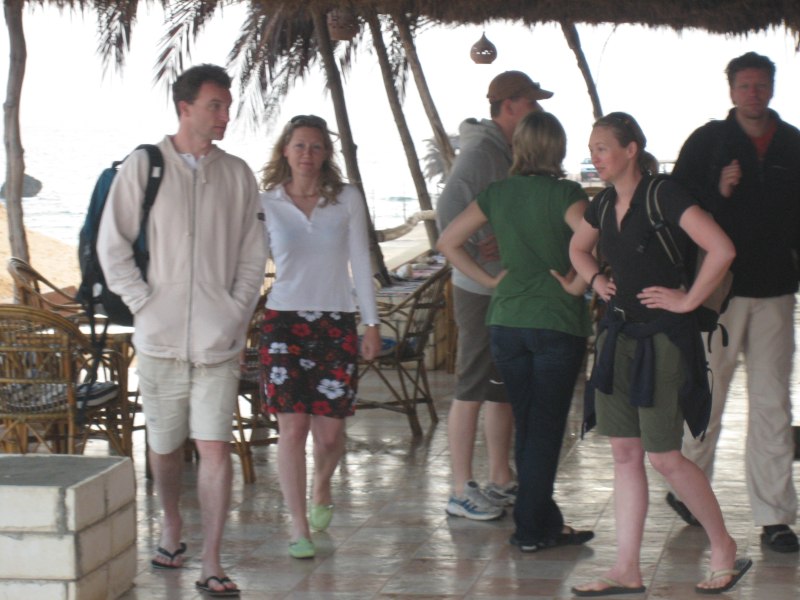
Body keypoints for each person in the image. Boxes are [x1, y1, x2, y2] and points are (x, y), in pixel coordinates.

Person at [97, 64, 266, 596]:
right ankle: (171, 524)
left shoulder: (237, 174)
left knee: (215, 447)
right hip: (159, 339)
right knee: (166, 447)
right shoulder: (144, 166)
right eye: (215, 105)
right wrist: (144, 304)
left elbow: (253, 254)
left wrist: (235, 312)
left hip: (219, 342)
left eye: (228, 106)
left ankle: (212, 560)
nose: (225, 115)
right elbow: (112, 244)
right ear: (185, 107)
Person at [569, 112, 752, 595]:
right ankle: (626, 569)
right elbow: (577, 249)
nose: (595, 157)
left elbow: (722, 249)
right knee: (625, 453)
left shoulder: (663, 194)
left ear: (631, 150)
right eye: (591, 149)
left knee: (665, 457)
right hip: (619, 336)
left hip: (665, 339)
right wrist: (596, 279)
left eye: (603, 148)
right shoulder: (603, 203)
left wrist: (688, 301)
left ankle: (723, 546)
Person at [438, 111, 594, 551]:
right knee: (545, 427)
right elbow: (597, 237)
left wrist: (489, 281)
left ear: (519, 148)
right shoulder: (566, 194)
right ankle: (530, 529)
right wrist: (577, 283)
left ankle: (543, 521)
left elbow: (447, 241)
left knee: (528, 424)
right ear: (558, 149)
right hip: (556, 321)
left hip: (506, 320)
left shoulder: (498, 193)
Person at [669, 51, 800, 553]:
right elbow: (676, 203)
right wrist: (716, 191)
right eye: (744, 86)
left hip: (776, 290)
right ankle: (688, 487)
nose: (753, 94)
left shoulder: (792, 144)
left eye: (760, 85)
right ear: (731, 91)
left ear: (772, 87)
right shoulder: (709, 141)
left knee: (773, 403)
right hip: (716, 290)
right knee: (709, 394)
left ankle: (775, 517)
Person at [258, 114, 380, 559]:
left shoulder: (347, 198)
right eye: (299, 146)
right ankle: (298, 527)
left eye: (315, 146)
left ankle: (322, 484)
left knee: (329, 436)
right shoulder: (266, 202)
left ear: (326, 153)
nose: (307, 154)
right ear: (285, 151)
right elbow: (251, 266)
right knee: (292, 428)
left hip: (335, 321)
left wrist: (371, 322)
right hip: (282, 323)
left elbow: (360, 261)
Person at [435, 70, 553, 520]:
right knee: (472, 382)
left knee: (501, 384)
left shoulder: (504, 150)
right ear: (509, 106)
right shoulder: (481, 152)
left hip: (500, 286)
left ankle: (500, 477)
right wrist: (475, 247)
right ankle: (460, 487)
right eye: (531, 102)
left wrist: (494, 237)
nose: (536, 109)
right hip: (478, 288)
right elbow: (448, 211)